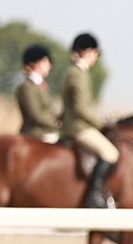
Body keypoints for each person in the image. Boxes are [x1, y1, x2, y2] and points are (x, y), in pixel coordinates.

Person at [61, 33, 118, 208]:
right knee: (111, 153)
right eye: (96, 53)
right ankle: (93, 195)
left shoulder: (76, 71)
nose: (96, 58)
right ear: (88, 51)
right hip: (78, 126)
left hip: (78, 123)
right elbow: (80, 108)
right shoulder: (78, 73)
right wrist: (101, 123)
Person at [16, 44, 60, 142]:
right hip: (35, 134)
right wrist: (56, 123)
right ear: (35, 63)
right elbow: (35, 114)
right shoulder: (26, 87)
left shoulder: (41, 85)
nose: (49, 65)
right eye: (46, 61)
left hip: (47, 131)